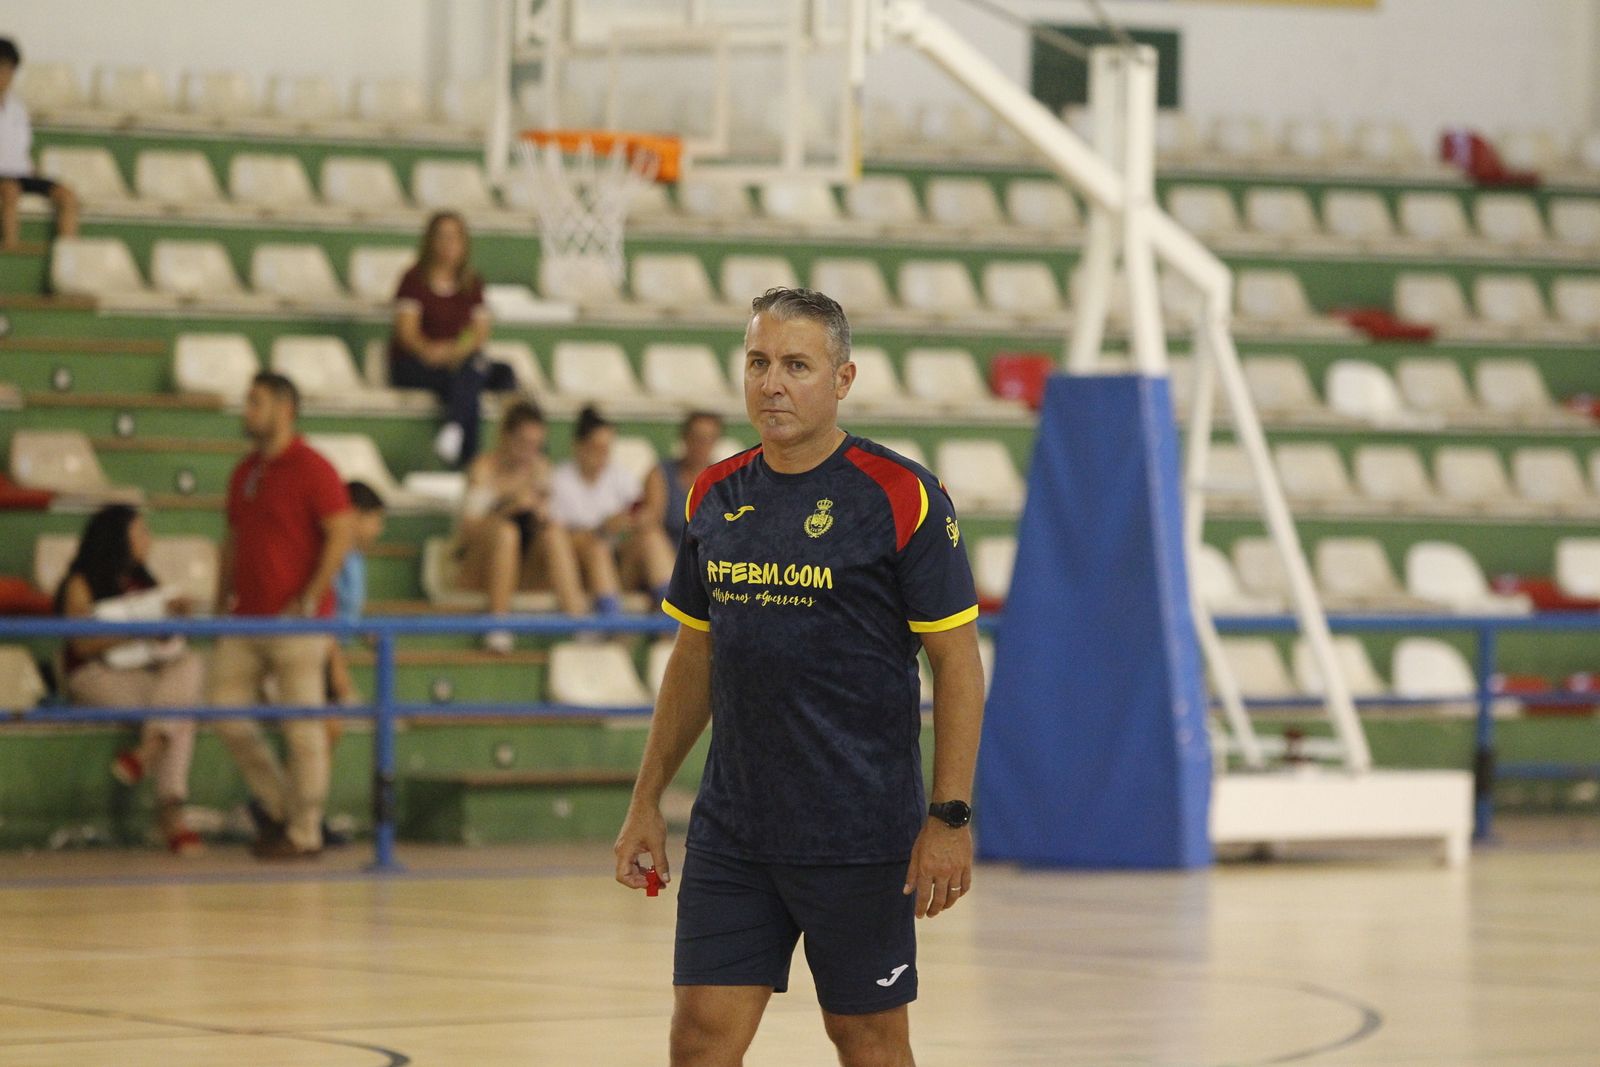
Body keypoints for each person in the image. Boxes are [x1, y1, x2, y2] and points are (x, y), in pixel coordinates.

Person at [613, 288, 985, 1066]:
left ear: (842, 379)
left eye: (795, 365)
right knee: (699, 1036)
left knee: (867, 1040)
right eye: (757, 363)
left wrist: (948, 816)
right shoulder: (714, 494)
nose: (771, 383)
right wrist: (646, 799)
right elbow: (694, 657)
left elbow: (956, 664)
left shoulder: (903, 496)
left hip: (860, 834)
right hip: (734, 831)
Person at [212, 372, 354, 860]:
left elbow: (340, 532)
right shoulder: (244, 472)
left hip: (299, 623)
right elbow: (231, 543)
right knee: (224, 709)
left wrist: (311, 595)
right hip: (245, 619)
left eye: (256, 401)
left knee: (303, 728)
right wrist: (218, 604)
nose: (246, 410)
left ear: (285, 407)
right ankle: (280, 805)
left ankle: (305, 831)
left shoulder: (314, 468)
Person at [55, 505, 202, 856]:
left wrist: (170, 621)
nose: (149, 540)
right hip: (93, 674)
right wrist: (138, 628)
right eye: (142, 532)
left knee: (191, 664)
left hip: (143, 672)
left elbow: (163, 641)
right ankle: (171, 817)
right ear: (120, 538)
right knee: (179, 714)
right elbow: (83, 643)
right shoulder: (81, 582)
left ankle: (147, 752)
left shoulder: (145, 581)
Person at [457, 398, 586, 653]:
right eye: (523, 444)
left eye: (536, 446)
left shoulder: (540, 470)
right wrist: (509, 506)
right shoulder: (483, 470)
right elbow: (467, 531)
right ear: (505, 437)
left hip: (525, 568)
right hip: (478, 565)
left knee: (554, 534)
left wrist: (540, 511)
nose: (529, 453)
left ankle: (579, 623)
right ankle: (497, 624)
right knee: (507, 533)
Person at [387, 210, 515, 468]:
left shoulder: (472, 284)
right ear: (430, 241)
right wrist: (429, 350)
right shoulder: (413, 281)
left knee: (498, 373)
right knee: (471, 380)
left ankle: (455, 429)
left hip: (457, 361)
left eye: (454, 238)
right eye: (442, 237)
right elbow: (407, 333)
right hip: (416, 363)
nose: (448, 244)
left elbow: (476, 332)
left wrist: (455, 351)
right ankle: (470, 460)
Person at [550, 406, 675, 614]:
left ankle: (674, 614)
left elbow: (639, 512)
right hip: (580, 568)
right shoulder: (560, 481)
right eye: (595, 448)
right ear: (578, 446)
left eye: (606, 450)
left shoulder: (618, 476)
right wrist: (602, 529)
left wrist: (633, 520)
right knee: (596, 548)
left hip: (620, 564)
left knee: (651, 537)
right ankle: (610, 620)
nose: (601, 457)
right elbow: (559, 538)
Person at [0, 38, 79, 250]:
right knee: (10, 190)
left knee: (67, 195)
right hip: (4, 179)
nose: (3, 76)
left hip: (21, 173)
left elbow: (21, 146)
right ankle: (12, 244)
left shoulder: (17, 108)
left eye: (8, 70)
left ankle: (67, 251)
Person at [641, 410, 725, 550]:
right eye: (696, 438)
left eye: (708, 439)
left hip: (708, 556)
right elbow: (653, 519)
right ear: (684, 438)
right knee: (650, 537)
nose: (701, 445)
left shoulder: (726, 479)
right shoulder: (661, 474)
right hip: (667, 552)